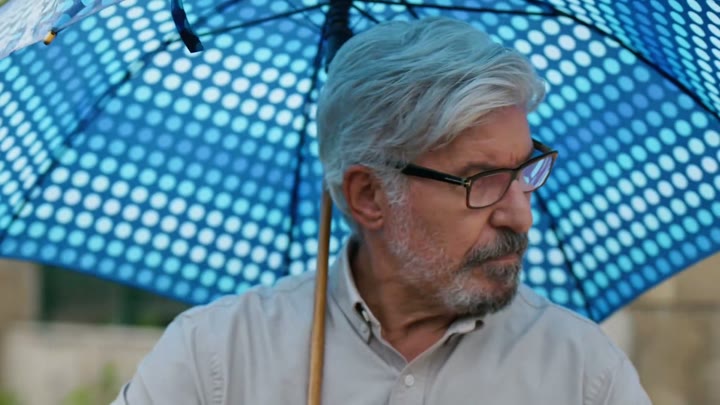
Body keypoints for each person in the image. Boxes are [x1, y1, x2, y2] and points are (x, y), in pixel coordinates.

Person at [112, 17, 651, 404]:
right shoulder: (215, 358)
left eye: (525, 170)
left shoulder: (584, 375)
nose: (521, 217)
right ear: (368, 195)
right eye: (482, 180)